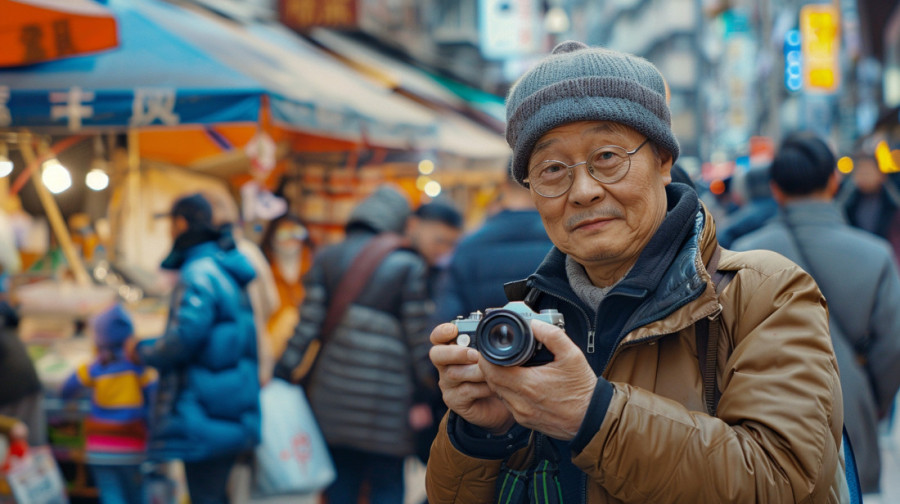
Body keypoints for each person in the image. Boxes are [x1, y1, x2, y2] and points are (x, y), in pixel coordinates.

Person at [425, 41, 845, 503]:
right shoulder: (525, 320)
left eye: (607, 156)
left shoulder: (765, 293)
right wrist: (480, 435)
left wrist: (591, 414)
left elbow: (783, 479)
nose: (583, 191)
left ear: (663, 160)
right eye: (551, 169)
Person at [732, 132, 900, 495]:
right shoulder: (876, 255)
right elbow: (891, 352)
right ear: (834, 181)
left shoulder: (743, 256)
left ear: (775, 189)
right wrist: (870, 404)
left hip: (763, 430)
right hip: (852, 425)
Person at [273, 186, 437, 504]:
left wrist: (281, 373)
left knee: (340, 485)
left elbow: (306, 328)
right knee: (387, 485)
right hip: (388, 406)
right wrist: (430, 390)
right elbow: (418, 340)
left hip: (332, 400)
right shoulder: (407, 264)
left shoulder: (327, 258)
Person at [125, 193, 260, 504]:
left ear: (180, 223)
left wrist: (142, 351)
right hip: (227, 407)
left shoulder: (199, 272)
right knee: (214, 493)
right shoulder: (223, 266)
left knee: (206, 495)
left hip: (204, 411)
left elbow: (183, 339)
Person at [61, 304, 158, 504]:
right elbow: (155, 394)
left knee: (111, 495)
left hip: (99, 447)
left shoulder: (94, 368)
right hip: (133, 445)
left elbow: (66, 390)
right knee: (137, 496)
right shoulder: (139, 369)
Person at [433, 173, 552, 321]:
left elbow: (448, 319)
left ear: (504, 186)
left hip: (484, 342)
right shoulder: (563, 242)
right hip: (555, 343)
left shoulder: (468, 245)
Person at [837, 144, 900, 262]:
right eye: (860, 171)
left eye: (868, 171)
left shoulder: (892, 204)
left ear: (881, 175)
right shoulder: (847, 202)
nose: (864, 176)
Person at [405, 199, 464, 294]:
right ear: (413, 225)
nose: (444, 250)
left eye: (451, 244)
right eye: (439, 241)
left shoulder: (434, 270)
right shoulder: (399, 266)